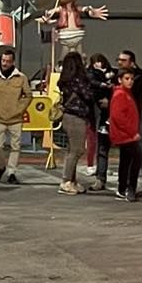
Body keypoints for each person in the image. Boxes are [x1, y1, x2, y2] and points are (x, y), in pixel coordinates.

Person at [0, 48, 33, 184]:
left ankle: (12, 172)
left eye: (8, 61)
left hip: (16, 118)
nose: (5, 63)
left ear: (13, 62)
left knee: (15, 147)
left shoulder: (21, 77)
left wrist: (20, 109)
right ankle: (1, 167)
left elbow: (28, 95)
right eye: (3, 60)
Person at [56, 50, 94, 195]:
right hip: (77, 116)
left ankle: (72, 181)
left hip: (67, 116)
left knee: (72, 149)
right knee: (77, 150)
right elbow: (88, 95)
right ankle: (66, 181)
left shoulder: (65, 80)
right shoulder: (78, 80)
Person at [108, 67, 142, 202]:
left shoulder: (125, 93)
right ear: (120, 80)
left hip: (126, 134)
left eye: (131, 79)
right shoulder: (121, 94)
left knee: (126, 160)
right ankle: (130, 188)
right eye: (127, 79)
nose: (130, 82)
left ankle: (122, 188)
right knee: (137, 157)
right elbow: (118, 117)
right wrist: (132, 132)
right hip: (125, 135)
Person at [87, 53, 115, 189]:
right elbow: (92, 83)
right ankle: (100, 177)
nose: (98, 64)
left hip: (111, 112)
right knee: (101, 146)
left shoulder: (113, 74)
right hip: (101, 111)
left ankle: (102, 177)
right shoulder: (92, 74)